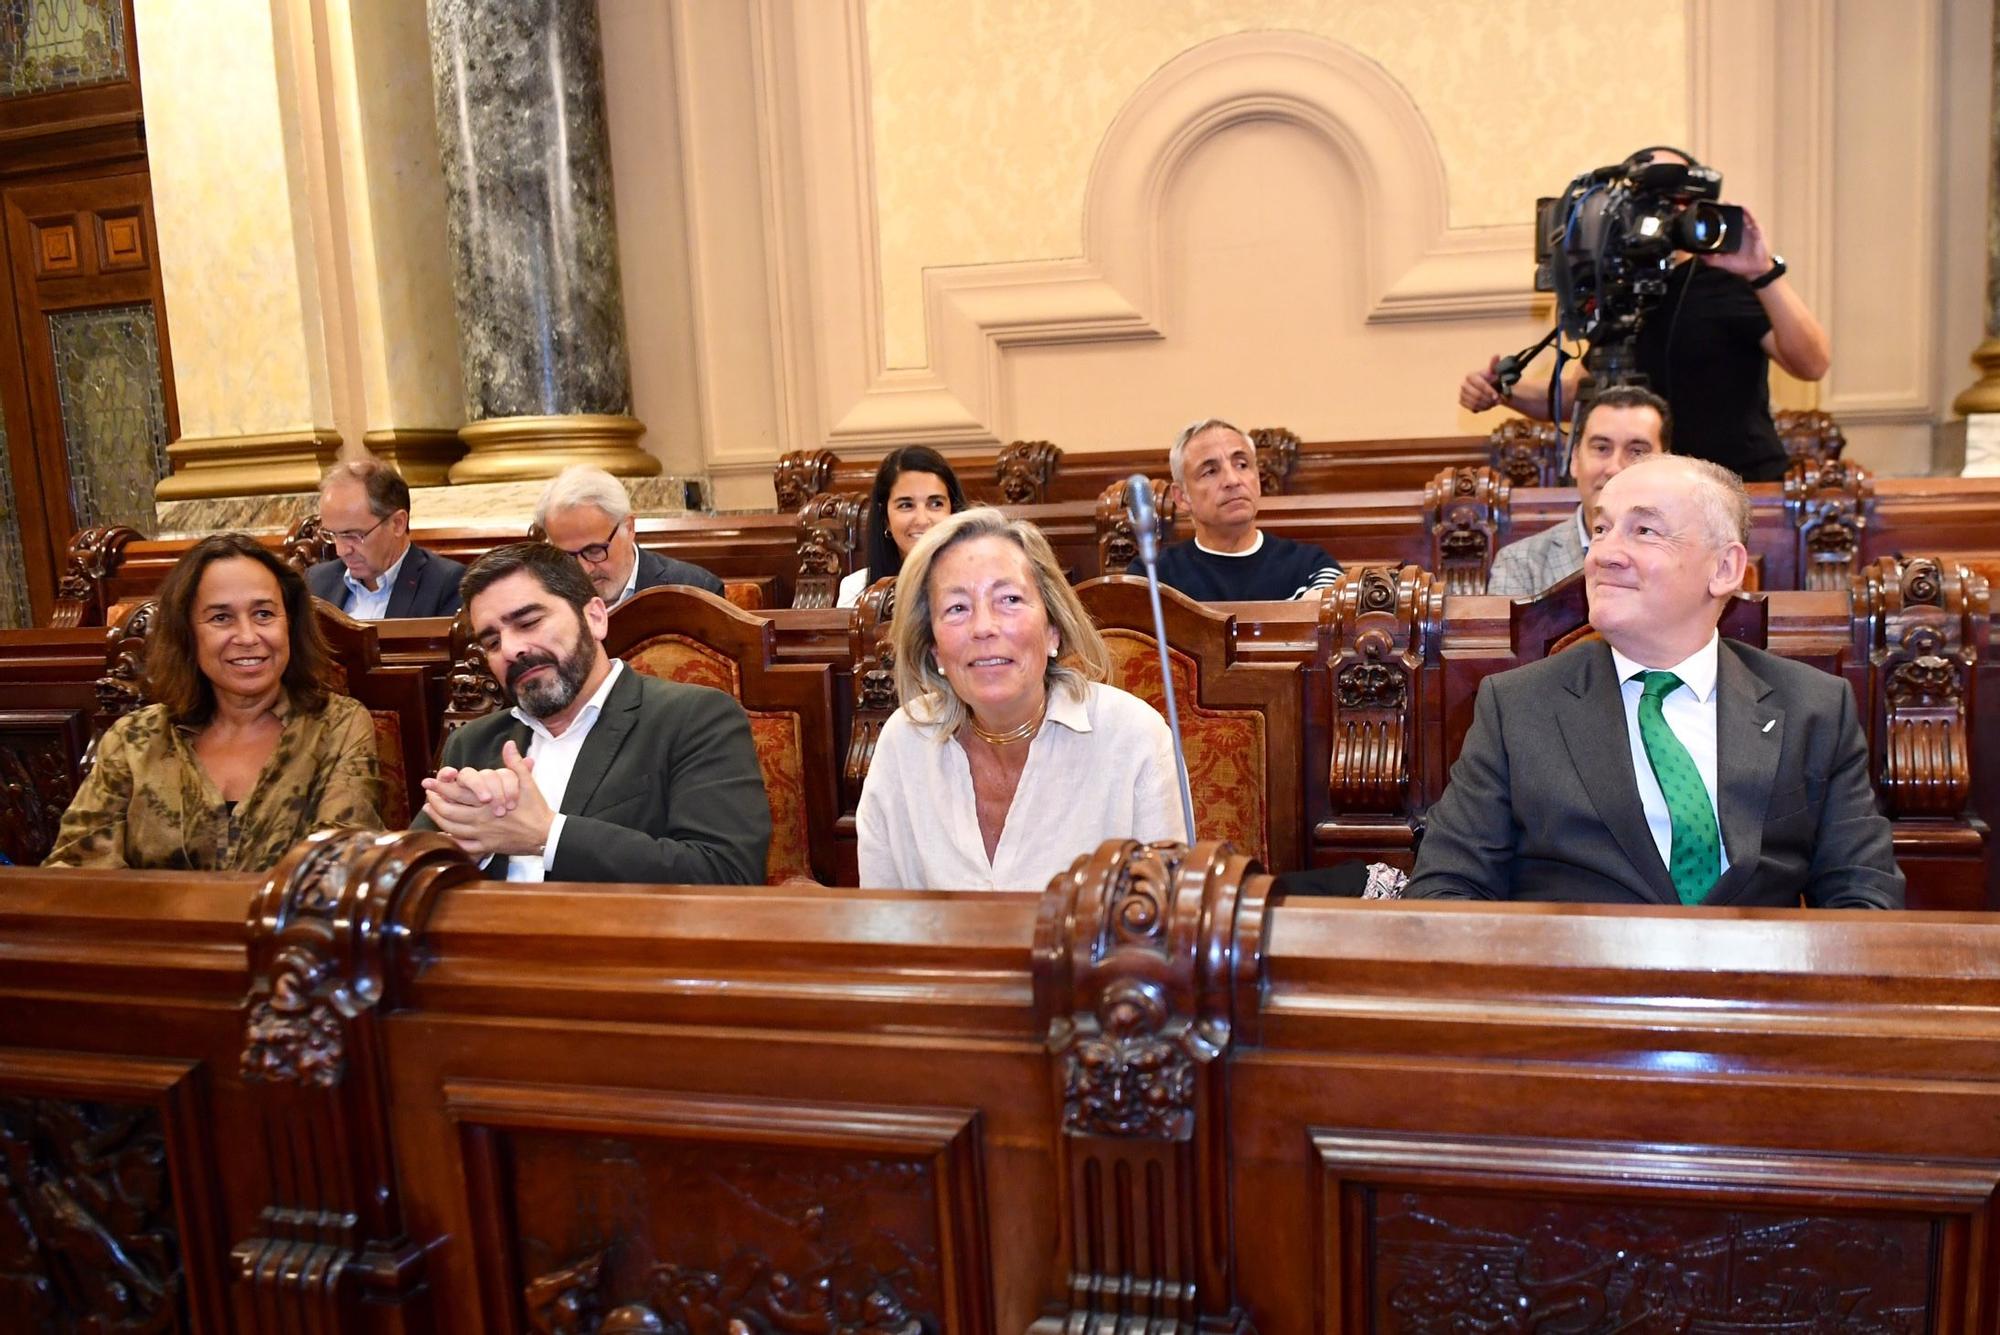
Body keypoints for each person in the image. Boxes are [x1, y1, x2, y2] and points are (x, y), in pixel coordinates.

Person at [1407, 455, 1902, 908]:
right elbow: (1447, 889)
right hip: (1576, 993)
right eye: (1601, 529)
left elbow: (1863, 894)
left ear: (1725, 568)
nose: (1604, 554)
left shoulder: (1814, 705)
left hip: (1753, 993)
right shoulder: (1517, 707)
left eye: (1644, 530)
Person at [858, 508, 1186, 891]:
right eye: (957, 608)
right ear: (933, 648)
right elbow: (882, 920)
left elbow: (1168, 921)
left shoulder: (1134, 738)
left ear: (1053, 630)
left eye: (1009, 599)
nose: (984, 627)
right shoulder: (904, 742)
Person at [1459, 151, 1829, 483]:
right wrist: (1502, 391)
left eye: (1677, 199)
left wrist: (1761, 272)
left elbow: (1812, 364)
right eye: (1650, 201)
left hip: (1738, 491)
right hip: (1648, 499)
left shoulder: (1727, 281)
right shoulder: (1618, 291)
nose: (1665, 212)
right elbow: (1578, 397)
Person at [415, 542, 770, 884]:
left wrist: (547, 836)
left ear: (595, 617)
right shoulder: (474, 743)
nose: (510, 649)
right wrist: (465, 850)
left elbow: (725, 872)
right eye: (492, 642)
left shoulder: (694, 718)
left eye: (529, 623)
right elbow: (408, 872)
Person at [46, 533, 381, 870]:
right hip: (145, 922)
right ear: (187, 633)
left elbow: (340, 869)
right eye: (221, 618)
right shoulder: (133, 739)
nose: (248, 637)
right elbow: (74, 870)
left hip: (285, 922)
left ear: (290, 625)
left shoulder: (339, 726)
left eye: (264, 614)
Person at [1486, 386, 1668, 596]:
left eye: (1637, 452)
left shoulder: (1686, 557)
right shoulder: (1521, 565)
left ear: (1666, 464)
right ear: (1574, 460)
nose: (1615, 468)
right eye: (1601, 448)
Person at [1137, 418, 1339, 601]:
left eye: (1242, 465)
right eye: (1210, 472)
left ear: (1258, 480)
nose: (1232, 480)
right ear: (1182, 497)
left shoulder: (1312, 567)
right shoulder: (1151, 578)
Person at [534, 465, 723, 606]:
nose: (584, 569)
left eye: (594, 550)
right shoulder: (545, 600)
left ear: (629, 527)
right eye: (568, 556)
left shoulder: (695, 591)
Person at [307, 459, 466, 618]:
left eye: (354, 535)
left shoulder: (445, 585)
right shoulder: (317, 583)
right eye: (332, 535)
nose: (341, 551)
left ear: (398, 524)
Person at [837, 446, 969, 608]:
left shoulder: (980, 580)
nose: (922, 520)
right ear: (885, 518)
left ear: (953, 512)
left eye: (936, 504)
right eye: (906, 505)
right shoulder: (856, 590)